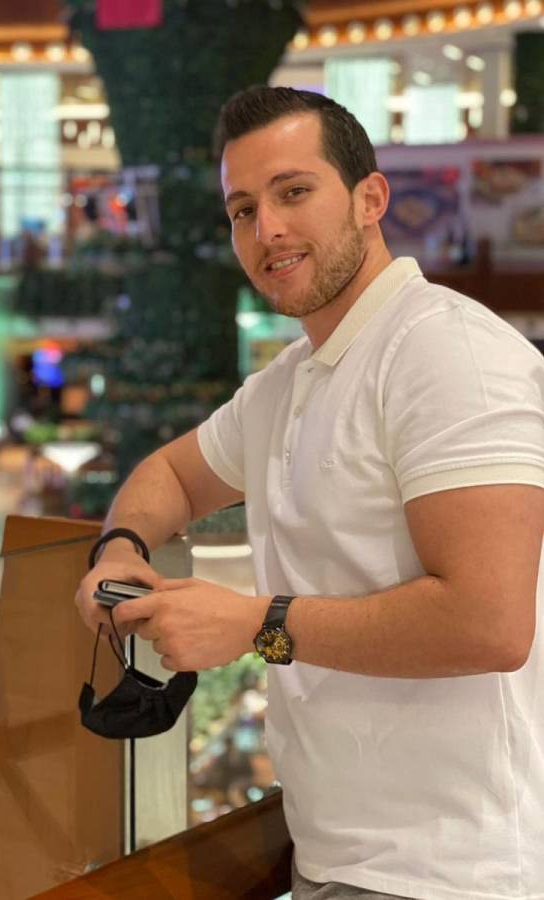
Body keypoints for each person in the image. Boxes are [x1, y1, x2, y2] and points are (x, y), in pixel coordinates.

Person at [75, 86, 544, 900]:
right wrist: (118, 550)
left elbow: (489, 623)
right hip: (331, 854)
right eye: (243, 210)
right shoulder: (285, 384)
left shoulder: (447, 353)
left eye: (293, 192)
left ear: (370, 199)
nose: (267, 230)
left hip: (456, 871)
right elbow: (171, 475)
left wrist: (254, 625)